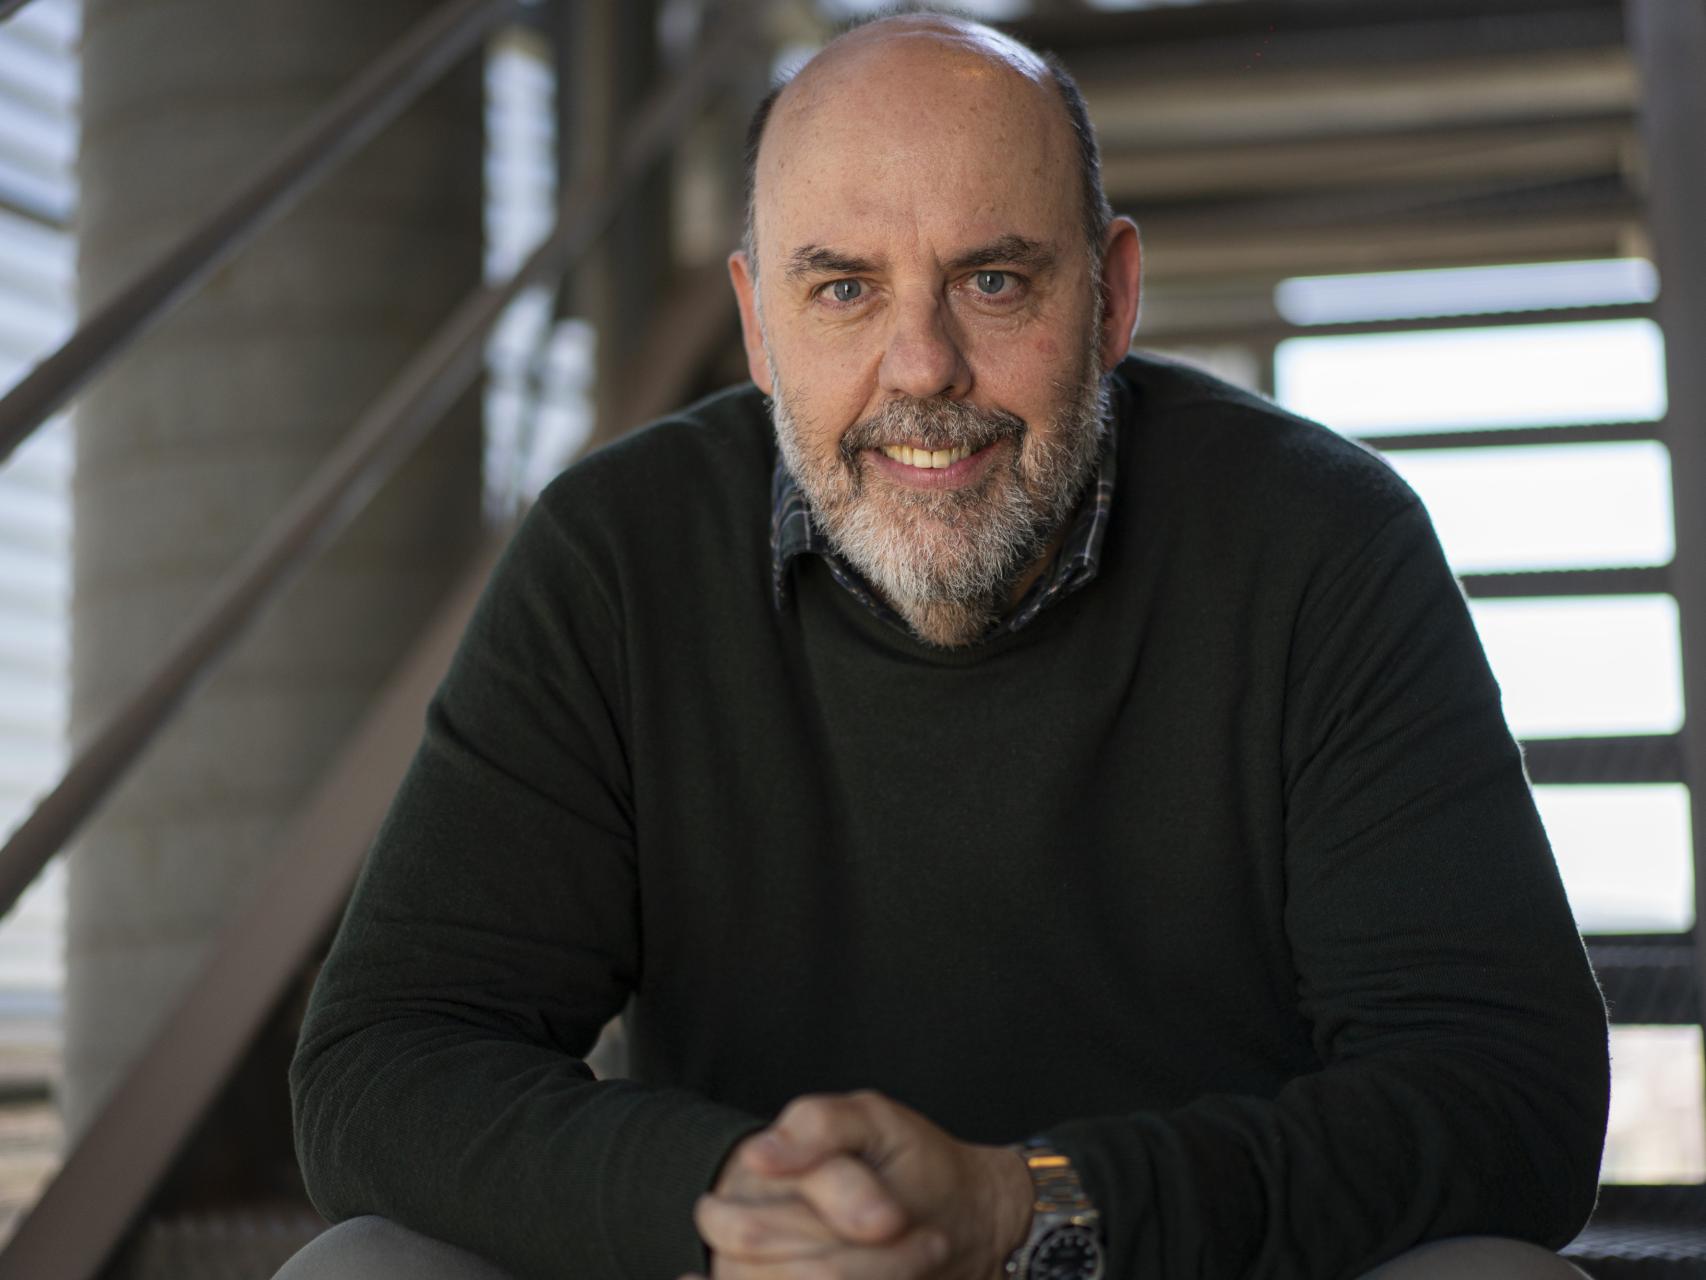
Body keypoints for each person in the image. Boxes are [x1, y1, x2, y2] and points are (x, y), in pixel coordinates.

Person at [282, 13, 1610, 1280]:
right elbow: (382, 1060)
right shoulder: (615, 558)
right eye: (843, 289)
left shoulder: (1319, 541)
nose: (920, 367)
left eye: (992, 281)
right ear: (757, 324)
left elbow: (1507, 1089)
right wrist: (726, 1200)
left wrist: (1032, 1214)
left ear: (1111, 297)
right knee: (361, 1268)